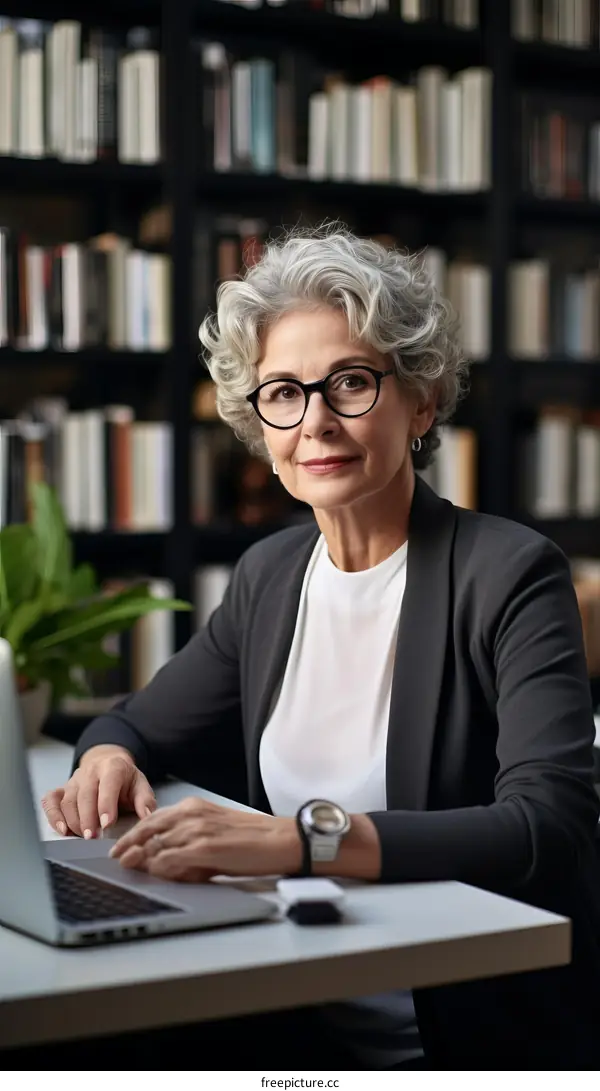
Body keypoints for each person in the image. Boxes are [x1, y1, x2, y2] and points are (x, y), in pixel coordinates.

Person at [41, 224, 600, 1071]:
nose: (317, 422)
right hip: (288, 1009)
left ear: (421, 398)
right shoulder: (272, 574)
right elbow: (136, 724)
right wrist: (108, 757)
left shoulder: (510, 572)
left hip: (457, 1040)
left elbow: (548, 827)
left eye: (350, 382)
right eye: (283, 393)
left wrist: (303, 838)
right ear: (259, 424)